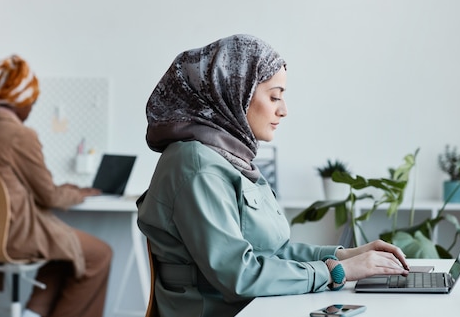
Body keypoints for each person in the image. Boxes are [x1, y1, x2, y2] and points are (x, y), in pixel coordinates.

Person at [136, 34, 410, 317]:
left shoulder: (231, 160)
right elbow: (240, 276)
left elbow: (271, 253)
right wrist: (335, 271)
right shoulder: (196, 165)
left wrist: (344, 256)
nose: (284, 110)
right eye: (274, 96)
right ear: (234, 92)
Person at [0, 54, 112, 317]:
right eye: (31, 101)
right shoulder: (19, 135)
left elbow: (10, 185)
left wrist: (61, 189)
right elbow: (50, 196)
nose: (32, 108)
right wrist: (78, 193)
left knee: (62, 257)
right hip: (17, 234)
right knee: (99, 255)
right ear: (20, 101)